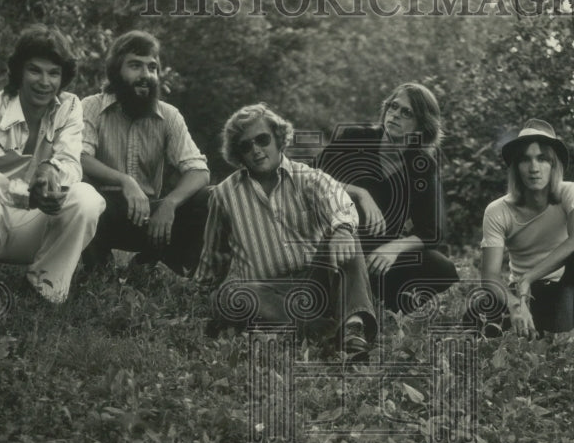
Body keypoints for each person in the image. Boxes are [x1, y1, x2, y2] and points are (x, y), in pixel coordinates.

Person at [195, 104, 377, 355]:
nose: (256, 150)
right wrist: (203, 289)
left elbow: (339, 200)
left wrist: (342, 231)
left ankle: (353, 329)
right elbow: (213, 255)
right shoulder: (224, 194)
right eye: (246, 146)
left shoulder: (308, 178)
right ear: (239, 154)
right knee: (228, 297)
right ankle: (326, 332)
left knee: (345, 233)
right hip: (265, 290)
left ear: (279, 138)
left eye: (262, 139)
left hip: (316, 283)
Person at [0, 25, 105, 303]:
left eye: (54, 73)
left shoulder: (69, 106)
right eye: (35, 70)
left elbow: (71, 161)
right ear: (19, 71)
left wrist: (50, 170)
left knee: (87, 198)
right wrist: (24, 194)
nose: (44, 81)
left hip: (39, 223)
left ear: (63, 77)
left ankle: (44, 289)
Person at [464, 120, 574, 359]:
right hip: (525, 299)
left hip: (565, 296)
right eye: (525, 159)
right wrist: (515, 303)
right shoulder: (498, 210)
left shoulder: (570, 191)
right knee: (475, 311)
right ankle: (513, 343)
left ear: (554, 165)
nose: (534, 167)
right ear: (515, 166)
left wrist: (528, 278)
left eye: (542, 159)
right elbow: (489, 275)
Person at [317, 83, 458, 314]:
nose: (395, 115)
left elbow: (432, 231)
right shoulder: (355, 138)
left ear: (421, 126)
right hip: (335, 239)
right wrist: (359, 193)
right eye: (393, 107)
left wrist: (394, 248)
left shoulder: (421, 165)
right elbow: (311, 179)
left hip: (377, 253)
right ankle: (345, 304)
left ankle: (390, 307)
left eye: (406, 113)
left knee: (442, 268)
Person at [80, 31, 211, 276]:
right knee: (81, 196)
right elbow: (80, 157)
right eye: (135, 66)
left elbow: (199, 171)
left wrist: (170, 204)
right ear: (116, 70)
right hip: (102, 213)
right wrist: (124, 181)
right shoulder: (91, 106)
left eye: (152, 68)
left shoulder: (169, 115)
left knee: (212, 198)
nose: (146, 76)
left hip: (150, 217)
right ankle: (98, 271)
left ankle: (150, 264)